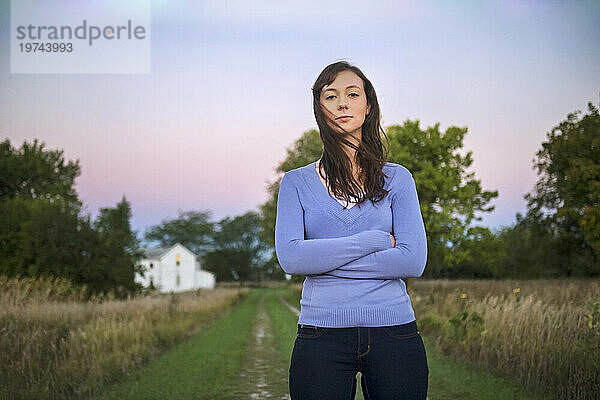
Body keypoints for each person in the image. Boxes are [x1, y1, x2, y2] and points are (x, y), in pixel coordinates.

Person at [274, 60, 429, 400]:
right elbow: (292, 258)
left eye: (352, 94)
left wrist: (322, 259)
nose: (342, 103)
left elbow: (412, 260)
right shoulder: (295, 183)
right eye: (331, 96)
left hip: (394, 333)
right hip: (320, 334)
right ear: (320, 108)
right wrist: (373, 241)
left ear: (367, 105)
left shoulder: (397, 178)